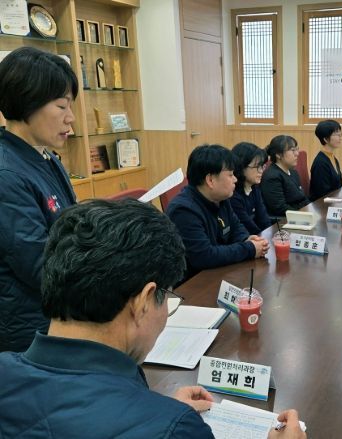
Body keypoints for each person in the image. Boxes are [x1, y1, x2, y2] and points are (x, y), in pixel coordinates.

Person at [0, 199, 305, 438]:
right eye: (167, 296)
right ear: (144, 301)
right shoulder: (175, 429)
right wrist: (165, 419)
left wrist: (155, 408)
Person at [0, 47, 78, 352]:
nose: (71, 118)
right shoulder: (7, 174)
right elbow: (39, 265)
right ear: (27, 101)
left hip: (55, 312)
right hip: (29, 330)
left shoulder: (44, 156)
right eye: (61, 106)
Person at [166, 144, 269, 280]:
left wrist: (246, 239)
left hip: (220, 272)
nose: (235, 179)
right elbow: (204, 256)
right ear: (210, 180)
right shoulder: (183, 211)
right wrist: (249, 249)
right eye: (230, 175)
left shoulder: (221, 198)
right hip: (194, 283)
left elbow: (236, 228)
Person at [260, 135, 310, 217]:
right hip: (285, 219)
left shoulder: (293, 172)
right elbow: (280, 208)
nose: (297, 154)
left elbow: (302, 198)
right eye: (292, 150)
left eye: (297, 149)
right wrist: (304, 215)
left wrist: (311, 209)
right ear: (278, 155)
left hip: (299, 215)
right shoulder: (272, 177)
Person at [231, 142, 272, 235]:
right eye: (257, 167)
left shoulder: (254, 187)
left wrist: (271, 234)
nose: (261, 171)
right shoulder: (232, 194)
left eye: (262, 166)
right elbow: (248, 227)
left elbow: (264, 219)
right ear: (241, 166)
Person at [309, 119, 342, 201]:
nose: (340, 138)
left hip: (334, 201)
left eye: (340, 134)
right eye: (337, 134)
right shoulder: (320, 163)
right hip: (322, 205)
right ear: (325, 139)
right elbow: (322, 194)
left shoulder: (332, 157)